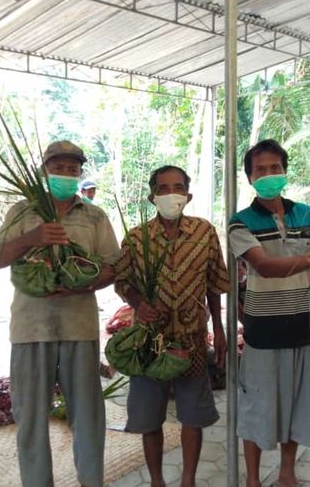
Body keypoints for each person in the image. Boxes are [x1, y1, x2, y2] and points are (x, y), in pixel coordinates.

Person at [0, 140, 120, 487]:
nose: (65, 173)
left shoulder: (93, 215)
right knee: (29, 417)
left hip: (80, 326)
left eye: (72, 169)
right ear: (45, 171)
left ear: (80, 173)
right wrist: (33, 237)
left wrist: (82, 285)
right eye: (58, 168)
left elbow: (113, 267)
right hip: (32, 329)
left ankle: (91, 481)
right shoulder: (22, 212)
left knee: (88, 416)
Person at [228, 139, 310, 487]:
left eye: (275, 168)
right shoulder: (240, 223)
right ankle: (252, 479)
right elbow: (264, 266)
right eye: (260, 170)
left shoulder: (306, 213)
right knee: (257, 404)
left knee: (298, 401)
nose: (269, 174)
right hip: (262, 330)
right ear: (249, 177)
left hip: (303, 323)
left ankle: (287, 473)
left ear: (284, 171)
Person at [114, 165, 229, 487]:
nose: (170, 194)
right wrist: (139, 303)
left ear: (188, 195)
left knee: (192, 416)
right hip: (150, 343)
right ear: (153, 197)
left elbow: (215, 284)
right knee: (150, 417)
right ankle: (156, 481)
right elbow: (122, 281)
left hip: (190, 341)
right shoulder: (137, 238)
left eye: (177, 187)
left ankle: (188, 480)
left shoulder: (204, 232)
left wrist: (218, 329)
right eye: (163, 188)